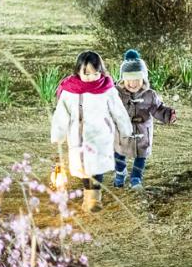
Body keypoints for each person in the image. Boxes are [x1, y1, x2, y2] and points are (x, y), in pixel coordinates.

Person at [49, 50, 133, 212]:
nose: (91, 77)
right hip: (78, 136)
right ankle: (88, 194)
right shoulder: (70, 91)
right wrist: (58, 134)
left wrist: (125, 129)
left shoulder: (107, 89)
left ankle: (94, 199)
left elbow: (118, 111)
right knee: (84, 168)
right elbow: (61, 114)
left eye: (95, 73)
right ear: (78, 71)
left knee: (96, 166)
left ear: (101, 72)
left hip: (101, 135)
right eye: (86, 73)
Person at [114, 48, 177, 189]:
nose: (133, 83)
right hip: (122, 132)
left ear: (143, 78)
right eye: (129, 79)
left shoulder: (149, 95)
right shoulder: (116, 94)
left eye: (137, 78)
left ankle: (136, 178)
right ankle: (120, 172)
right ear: (123, 79)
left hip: (142, 132)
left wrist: (168, 115)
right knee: (118, 153)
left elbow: (158, 108)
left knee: (141, 156)